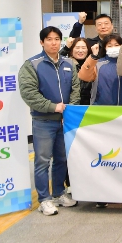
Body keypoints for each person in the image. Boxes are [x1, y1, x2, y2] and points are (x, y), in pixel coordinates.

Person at [18, 26, 79, 216]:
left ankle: (59, 193)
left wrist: (68, 111)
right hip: (43, 121)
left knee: (62, 159)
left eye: (57, 39)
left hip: (64, 121)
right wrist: (53, 107)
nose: (54, 43)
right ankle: (44, 199)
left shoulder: (69, 63)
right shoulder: (32, 65)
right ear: (42, 42)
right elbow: (29, 93)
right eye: (49, 39)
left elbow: (75, 89)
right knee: (42, 161)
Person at [78, 34, 122, 106]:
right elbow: (84, 76)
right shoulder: (98, 64)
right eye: (109, 46)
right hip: (101, 108)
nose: (113, 48)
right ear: (105, 48)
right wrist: (93, 56)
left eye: (116, 45)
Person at [66, 37, 92, 105]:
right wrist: (66, 48)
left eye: (83, 48)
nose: (80, 51)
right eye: (77, 48)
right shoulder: (66, 64)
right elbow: (55, 60)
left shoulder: (92, 64)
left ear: (88, 50)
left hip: (89, 105)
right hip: (69, 104)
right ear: (71, 50)